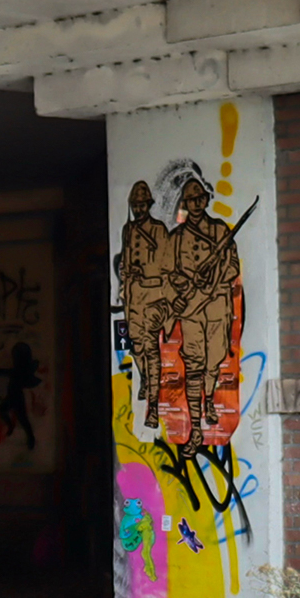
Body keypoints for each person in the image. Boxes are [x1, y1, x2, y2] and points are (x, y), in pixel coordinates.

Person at [169, 177, 239, 430]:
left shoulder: (221, 231)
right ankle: (195, 418)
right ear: (185, 203)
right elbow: (171, 271)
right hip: (191, 307)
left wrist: (213, 277)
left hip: (218, 302)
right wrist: (189, 282)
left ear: (207, 200)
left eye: (200, 198)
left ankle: (209, 399)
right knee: (194, 360)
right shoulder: (177, 238)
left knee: (214, 359)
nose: (197, 204)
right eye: (191, 200)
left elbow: (232, 266)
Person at [115, 180, 172, 430]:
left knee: (150, 348)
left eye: (142, 205)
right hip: (133, 298)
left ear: (149, 205)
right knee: (135, 346)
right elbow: (125, 261)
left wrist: (146, 274)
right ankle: (147, 379)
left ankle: (153, 407)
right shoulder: (128, 231)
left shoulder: (159, 230)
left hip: (153, 297)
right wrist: (123, 286)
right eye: (135, 206)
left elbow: (168, 265)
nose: (139, 210)